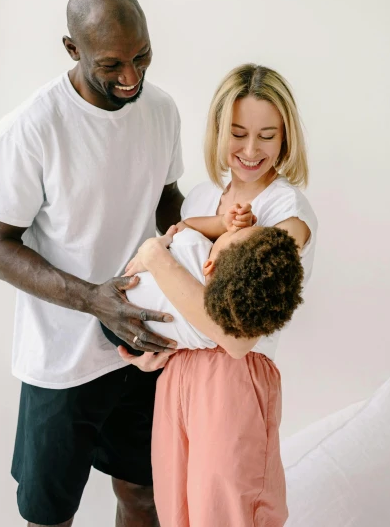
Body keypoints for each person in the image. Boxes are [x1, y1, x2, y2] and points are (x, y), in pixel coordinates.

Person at [0, 0, 184, 527]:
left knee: (144, 498)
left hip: (143, 345)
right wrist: (95, 301)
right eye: (112, 63)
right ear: (73, 49)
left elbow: (166, 201)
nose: (131, 77)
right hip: (60, 362)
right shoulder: (31, 128)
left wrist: (206, 248)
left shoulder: (161, 110)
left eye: (142, 56)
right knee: (50, 518)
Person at [120, 63, 318, 527]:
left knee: (228, 517)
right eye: (237, 132)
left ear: (286, 137)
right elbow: (183, 299)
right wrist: (151, 351)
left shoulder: (289, 215)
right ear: (217, 131)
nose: (250, 150)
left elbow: (235, 338)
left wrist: (156, 257)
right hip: (176, 379)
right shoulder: (201, 201)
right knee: (177, 516)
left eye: (267, 135)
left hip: (233, 380)